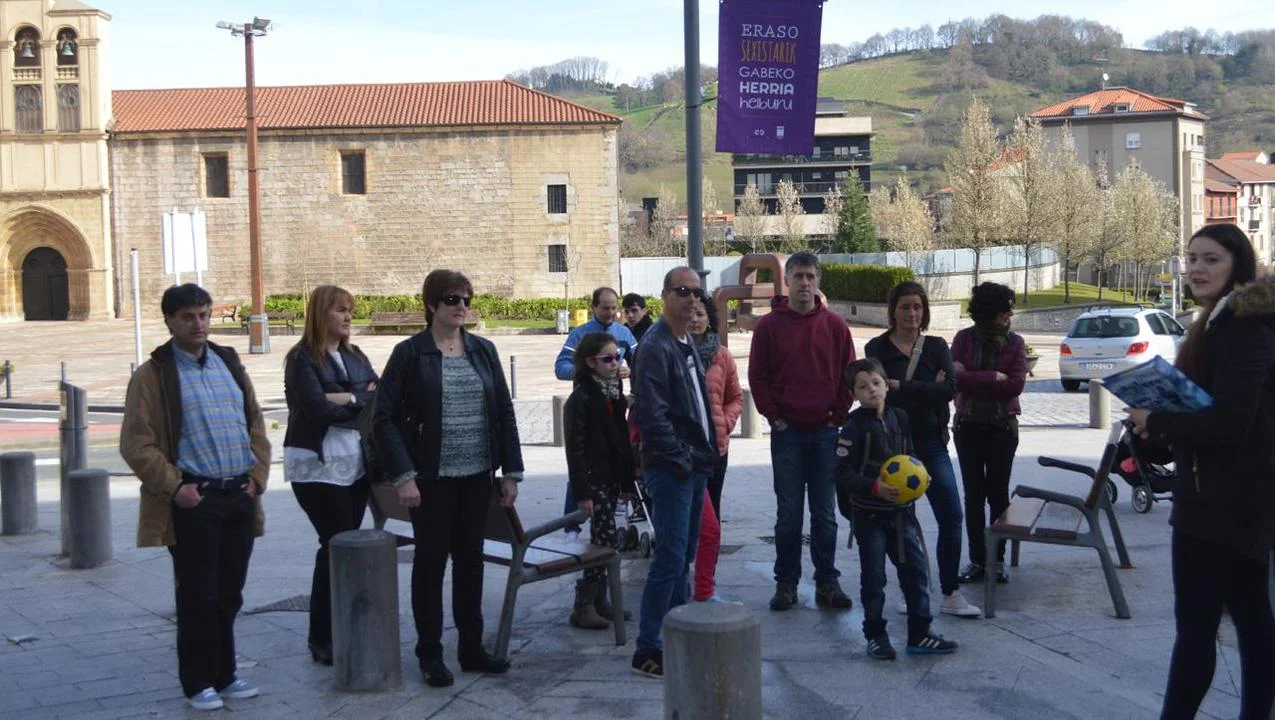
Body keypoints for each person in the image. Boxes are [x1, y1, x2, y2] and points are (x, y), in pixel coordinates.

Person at [1125, 223, 1275, 720]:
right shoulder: (1219, 320)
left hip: (1224, 504)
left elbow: (1233, 421)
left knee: (1201, 628)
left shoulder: (1243, 326)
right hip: (1220, 497)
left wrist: (1158, 420)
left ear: (1238, 265)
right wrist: (1157, 426)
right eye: (1192, 258)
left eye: (1211, 259)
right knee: (1248, 622)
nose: (1197, 268)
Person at [119, 284, 269, 712]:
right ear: (169, 321)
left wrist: (257, 476)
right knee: (198, 595)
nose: (198, 324)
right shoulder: (154, 375)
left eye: (203, 315)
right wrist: (174, 487)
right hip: (195, 499)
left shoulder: (229, 361)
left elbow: (255, 423)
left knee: (230, 593)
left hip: (238, 494)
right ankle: (198, 681)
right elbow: (136, 443)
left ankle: (226, 674)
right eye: (187, 317)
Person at [373, 269, 523, 688]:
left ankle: (472, 649)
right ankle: (430, 654)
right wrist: (404, 475)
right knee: (430, 565)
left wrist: (510, 471)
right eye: (452, 299)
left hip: (477, 476)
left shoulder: (483, 350)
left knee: (471, 564)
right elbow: (383, 418)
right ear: (431, 304)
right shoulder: (410, 353)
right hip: (430, 478)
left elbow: (504, 411)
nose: (461, 307)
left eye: (466, 300)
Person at [748, 251, 857, 612]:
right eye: (799, 276)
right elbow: (758, 376)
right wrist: (774, 417)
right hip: (788, 435)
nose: (805, 283)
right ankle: (786, 583)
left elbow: (850, 374)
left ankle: (827, 581)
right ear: (787, 281)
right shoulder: (768, 327)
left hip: (826, 434)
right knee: (789, 515)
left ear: (818, 281)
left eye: (811, 276)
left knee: (825, 514)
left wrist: (837, 416)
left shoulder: (836, 326)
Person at [865, 281, 981, 618]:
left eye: (917, 307)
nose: (911, 314)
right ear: (893, 311)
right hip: (894, 444)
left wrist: (902, 386)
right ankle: (911, 588)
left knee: (951, 514)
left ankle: (950, 591)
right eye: (905, 307)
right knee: (903, 523)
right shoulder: (877, 348)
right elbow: (876, 393)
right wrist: (927, 388)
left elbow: (949, 391)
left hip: (931, 442)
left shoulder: (935, 346)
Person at [282, 285, 380, 666]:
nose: (348, 316)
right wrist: (357, 399)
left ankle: (341, 629)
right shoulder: (302, 358)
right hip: (317, 466)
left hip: (356, 465)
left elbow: (378, 396)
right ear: (321, 313)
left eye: (350, 310)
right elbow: (315, 409)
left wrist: (346, 397)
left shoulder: (355, 355)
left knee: (345, 545)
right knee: (334, 546)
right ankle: (322, 636)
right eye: (340, 310)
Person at [835, 358, 958, 660]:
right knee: (874, 577)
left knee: (915, 572)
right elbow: (841, 472)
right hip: (870, 515)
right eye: (863, 386)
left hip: (902, 514)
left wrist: (921, 475)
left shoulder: (900, 418)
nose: (872, 390)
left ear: (887, 385)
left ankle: (920, 633)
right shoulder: (852, 427)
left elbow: (910, 456)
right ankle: (875, 635)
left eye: (876, 383)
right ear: (853, 394)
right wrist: (873, 487)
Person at [630, 266, 718, 679]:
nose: (691, 298)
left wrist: (702, 454)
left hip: (693, 463)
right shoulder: (655, 345)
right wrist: (681, 458)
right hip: (672, 467)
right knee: (669, 556)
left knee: (683, 556)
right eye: (683, 291)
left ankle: (679, 634)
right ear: (664, 295)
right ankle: (647, 648)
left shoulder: (684, 340)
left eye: (697, 292)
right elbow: (652, 414)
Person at [950, 282, 1027, 585]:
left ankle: (997, 560)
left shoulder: (1015, 342)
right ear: (988, 312)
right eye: (1004, 310)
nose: (1010, 315)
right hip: (968, 426)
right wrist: (993, 377)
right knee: (973, 496)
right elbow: (954, 380)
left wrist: (971, 378)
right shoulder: (963, 339)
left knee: (998, 494)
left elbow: (1015, 385)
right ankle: (977, 560)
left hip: (1001, 428)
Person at [564, 332, 637, 630]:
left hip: (611, 477)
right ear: (591, 362)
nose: (614, 363)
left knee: (608, 540)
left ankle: (600, 599)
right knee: (602, 541)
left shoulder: (613, 391)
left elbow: (621, 438)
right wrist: (582, 493)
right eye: (608, 359)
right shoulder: (582, 397)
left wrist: (627, 481)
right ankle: (584, 604)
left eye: (617, 357)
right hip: (594, 480)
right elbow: (575, 450)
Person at [554, 287, 638, 535]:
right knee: (583, 465)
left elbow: (641, 360)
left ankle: (605, 525)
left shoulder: (624, 333)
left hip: (613, 404)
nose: (610, 313)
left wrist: (630, 370)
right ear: (593, 307)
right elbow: (560, 367)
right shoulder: (579, 334)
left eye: (614, 308)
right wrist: (587, 372)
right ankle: (572, 525)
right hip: (590, 404)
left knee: (612, 460)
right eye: (605, 308)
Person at [690, 292, 742, 603]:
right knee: (688, 520)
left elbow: (735, 397)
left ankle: (706, 581)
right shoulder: (672, 352)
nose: (695, 319)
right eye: (691, 314)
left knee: (712, 519)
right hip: (683, 453)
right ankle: (685, 577)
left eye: (701, 314)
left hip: (715, 450)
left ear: (710, 319)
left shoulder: (721, 355)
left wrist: (725, 421)